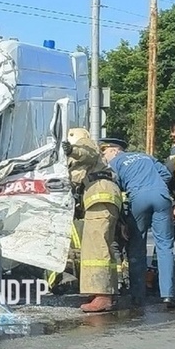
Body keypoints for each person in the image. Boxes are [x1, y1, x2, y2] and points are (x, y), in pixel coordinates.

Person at [100, 138, 175, 309]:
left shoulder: (114, 164)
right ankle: (168, 295)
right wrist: (154, 187)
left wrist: (122, 220)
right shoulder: (145, 156)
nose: (103, 156)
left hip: (138, 199)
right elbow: (166, 174)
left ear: (115, 150)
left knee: (137, 246)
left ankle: (137, 295)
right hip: (161, 197)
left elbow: (115, 191)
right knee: (165, 245)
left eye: (104, 152)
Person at [62, 128, 122, 312]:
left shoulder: (85, 144)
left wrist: (71, 150)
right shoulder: (92, 161)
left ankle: (102, 296)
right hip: (102, 196)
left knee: (95, 247)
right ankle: (106, 292)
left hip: (99, 195)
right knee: (103, 245)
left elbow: (86, 152)